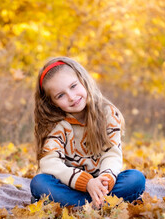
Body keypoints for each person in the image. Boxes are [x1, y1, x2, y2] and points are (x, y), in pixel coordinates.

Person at [30, 57, 145, 207]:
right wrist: (87, 183)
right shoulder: (54, 124)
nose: (71, 97)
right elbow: (49, 163)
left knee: (135, 179)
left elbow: (112, 154)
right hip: (69, 186)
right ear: (52, 102)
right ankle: (97, 204)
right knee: (39, 183)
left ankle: (78, 204)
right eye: (60, 95)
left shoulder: (107, 114)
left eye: (73, 86)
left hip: (103, 185)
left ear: (83, 80)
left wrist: (105, 180)